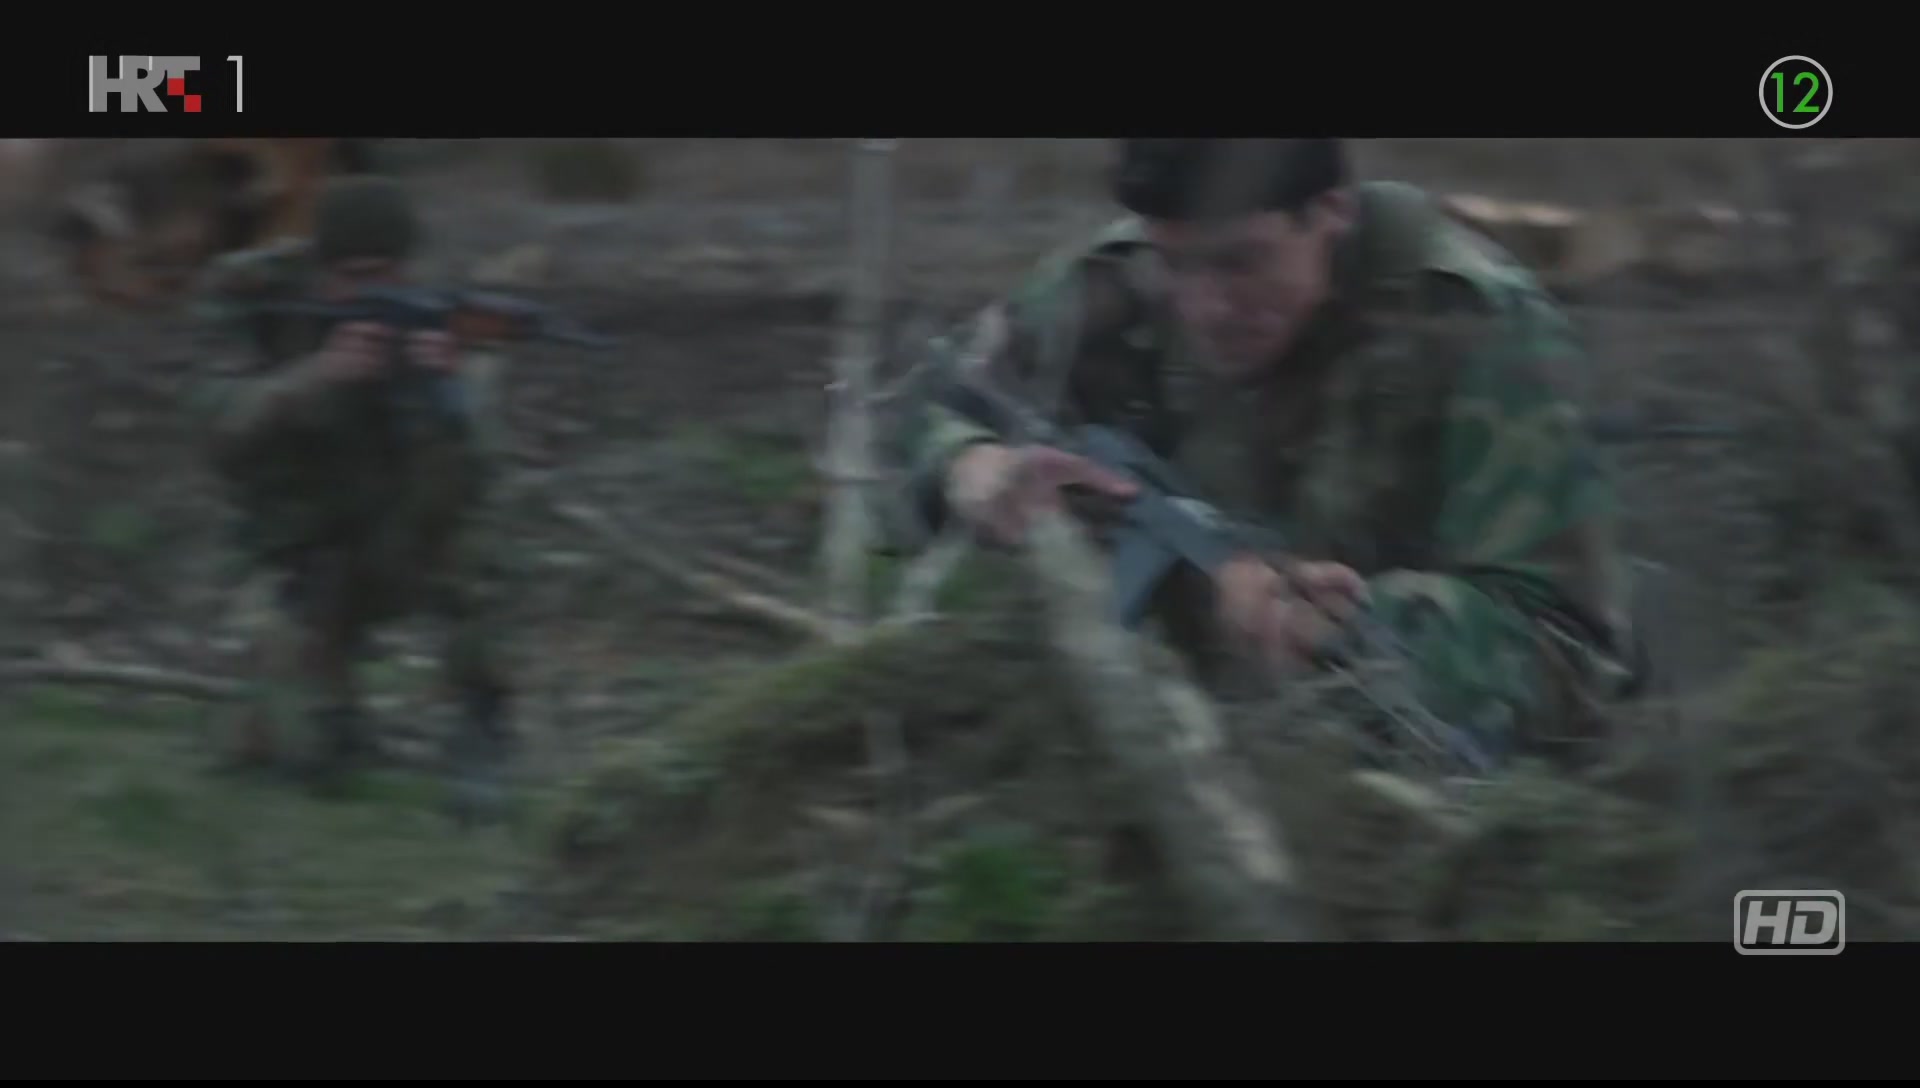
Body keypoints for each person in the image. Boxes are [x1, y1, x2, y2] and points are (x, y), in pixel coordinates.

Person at [890, 139, 1644, 768]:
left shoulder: (1479, 331)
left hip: (1401, 787)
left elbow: (1573, 656)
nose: (1204, 306)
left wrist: (1358, 629)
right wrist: (970, 468)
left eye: (1241, 262)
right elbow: (928, 402)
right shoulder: (1116, 279)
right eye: (1177, 264)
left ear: (1332, 211)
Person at [189, 173, 517, 790]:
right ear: (319, 268)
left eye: (387, 274)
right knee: (288, 761)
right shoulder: (253, 295)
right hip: (294, 551)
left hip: (395, 541)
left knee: (471, 549)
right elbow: (216, 433)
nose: (372, 291)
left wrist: (445, 397)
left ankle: (483, 722)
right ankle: (334, 715)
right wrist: (314, 378)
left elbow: (480, 473)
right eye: (353, 276)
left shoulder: (434, 318)